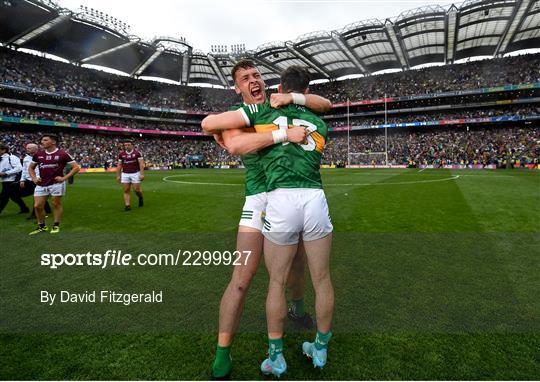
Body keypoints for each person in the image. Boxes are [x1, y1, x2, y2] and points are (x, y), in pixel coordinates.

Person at [201, 59, 332, 379]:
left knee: (297, 265)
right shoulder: (243, 114)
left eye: (257, 75)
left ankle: (298, 311)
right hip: (257, 200)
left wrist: (292, 99)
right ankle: (223, 352)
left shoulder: (276, 105)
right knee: (242, 279)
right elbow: (233, 143)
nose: (253, 80)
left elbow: (322, 103)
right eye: (245, 78)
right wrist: (284, 134)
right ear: (238, 87)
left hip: (285, 197)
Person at [28, 134, 80, 234]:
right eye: (42, 140)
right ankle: (42, 226)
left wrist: (64, 178)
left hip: (56, 184)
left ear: (53, 142)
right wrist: (34, 178)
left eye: (45, 140)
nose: (42, 142)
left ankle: (56, 225)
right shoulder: (38, 154)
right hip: (41, 183)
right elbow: (31, 168)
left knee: (56, 204)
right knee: (37, 206)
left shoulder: (62, 154)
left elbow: (76, 167)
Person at [19, 143, 51, 219]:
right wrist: (22, 180)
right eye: (26, 148)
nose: (27, 149)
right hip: (30, 180)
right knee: (39, 196)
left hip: (39, 180)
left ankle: (34, 214)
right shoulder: (26, 158)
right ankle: (48, 209)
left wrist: (40, 178)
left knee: (36, 197)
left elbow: (45, 168)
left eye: (29, 148)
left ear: (35, 149)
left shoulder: (43, 156)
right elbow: (24, 169)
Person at [0, 143, 29, 215]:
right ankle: (24, 208)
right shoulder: (1, 158)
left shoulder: (12, 157)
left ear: (3, 150)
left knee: (3, 197)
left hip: (12, 180)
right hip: (4, 180)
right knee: (14, 196)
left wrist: (6, 173)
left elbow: (19, 168)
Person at [116, 141, 144, 211]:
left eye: (128, 145)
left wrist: (142, 174)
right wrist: (118, 175)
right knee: (126, 190)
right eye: (125, 145)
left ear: (132, 145)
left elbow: (141, 164)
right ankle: (127, 206)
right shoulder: (121, 154)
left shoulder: (137, 153)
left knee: (136, 190)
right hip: (125, 173)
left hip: (135, 173)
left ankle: (140, 197)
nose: (127, 146)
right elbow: (119, 165)